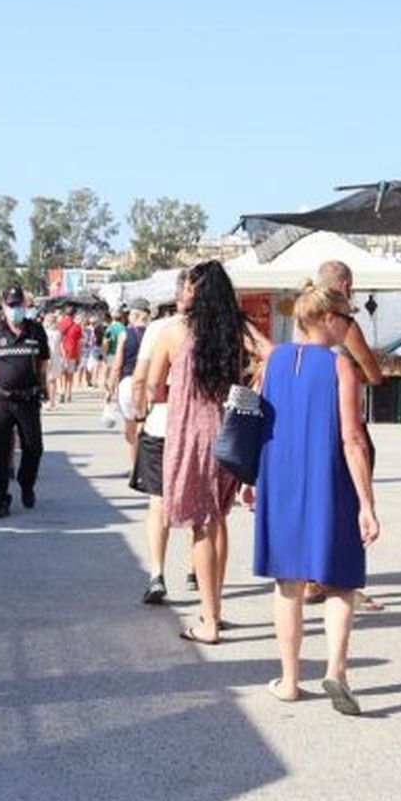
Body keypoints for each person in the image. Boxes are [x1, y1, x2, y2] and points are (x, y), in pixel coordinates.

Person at [255, 283, 381, 716]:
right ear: (328, 319)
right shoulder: (339, 366)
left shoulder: (275, 360)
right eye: (347, 318)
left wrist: (253, 478)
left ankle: (290, 681)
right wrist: (367, 503)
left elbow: (261, 423)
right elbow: (352, 439)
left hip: (280, 479)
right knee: (340, 580)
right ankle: (336, 670)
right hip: (329, 480)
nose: (349, 326)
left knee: (287, 583)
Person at [147, 261, 267, 643]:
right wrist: (253, 382)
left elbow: (153, 388)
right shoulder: (236, 328)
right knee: (218, 519)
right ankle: (215, 608)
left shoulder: (174, 332)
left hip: (188, 436)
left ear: (197, 292)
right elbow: (272, 353)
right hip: (228, 433)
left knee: (201, 524)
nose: (184, 291)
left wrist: (179, 393)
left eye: (189, 286)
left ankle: (209, 621)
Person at [313, 259, 387, 613]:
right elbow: (374, 373)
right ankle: (343, 581)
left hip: (310, 418)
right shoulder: (343, 324)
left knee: (317, 497)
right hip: (343, 416)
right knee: (351, 496)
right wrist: (358, 370)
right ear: (344, 285)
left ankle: (312, 577)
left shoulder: (305, 320)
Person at [130, 288, 182, 604]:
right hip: (199, 427)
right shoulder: (217, 325)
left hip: (161, 422)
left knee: (158, 500)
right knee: (200, 507)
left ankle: (157, 573)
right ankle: (196, 570)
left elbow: (143, 380)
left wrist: (139, 414)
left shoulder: (159, 330)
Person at [0, 286, 51, 518]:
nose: (15, 309)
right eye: (11, 305)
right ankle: (0, 500)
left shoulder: (36, 331)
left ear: (25, 305)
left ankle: (26, 483)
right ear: (3, 306)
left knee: (34, 449)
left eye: (18, 305)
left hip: (28, 399)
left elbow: (43, 361)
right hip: (2, 400)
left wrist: (43, 385)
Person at [111, 299, 151, 470]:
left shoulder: (124, 334)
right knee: (145, 425)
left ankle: (134, 466)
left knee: (130, 426)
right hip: (149, 382)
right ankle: (146, 465)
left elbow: (117, 363)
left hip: (128, 382)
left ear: (135, 315)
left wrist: (110, 386)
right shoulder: (154, 333)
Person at [56, 308, 83, 403]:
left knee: (60, 374)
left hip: (60, 353)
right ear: (74, 314)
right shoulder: (77, 327)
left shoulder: (59, 325)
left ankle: (61, 391)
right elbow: (79, 343)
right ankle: (69, 394)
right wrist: (79, 356)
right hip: (72, 353)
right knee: (70, 375)